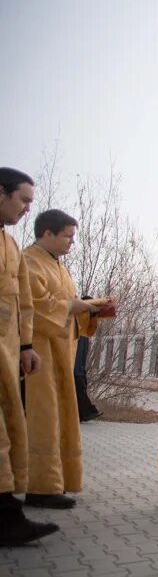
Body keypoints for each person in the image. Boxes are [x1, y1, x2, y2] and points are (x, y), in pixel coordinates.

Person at [23, 209, 111, 509]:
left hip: (61, 354)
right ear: (46, 233)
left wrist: (90, 308)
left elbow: (65, 306)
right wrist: (71, 306)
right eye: (67, 236)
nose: (72, 243)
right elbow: (34, 306)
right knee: (42, 419)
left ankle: (55, 482)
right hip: (38, 354)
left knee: (59, 417)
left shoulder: (58, 266)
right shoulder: (29, 262)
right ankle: (38, 487)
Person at [0, 168, 58, 546]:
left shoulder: (10, 246)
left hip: (6, 352)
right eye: (23, 200)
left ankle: (9, 514)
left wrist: (24, 346)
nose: (26, 209)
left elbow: (23, 302)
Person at [74, 311, 100, 422]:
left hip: (79, 369)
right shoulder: (76, 328)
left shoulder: (85, 331)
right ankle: (87, 412)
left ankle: (83, 413)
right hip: (75, 370)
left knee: (80, 391)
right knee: (80, 391)